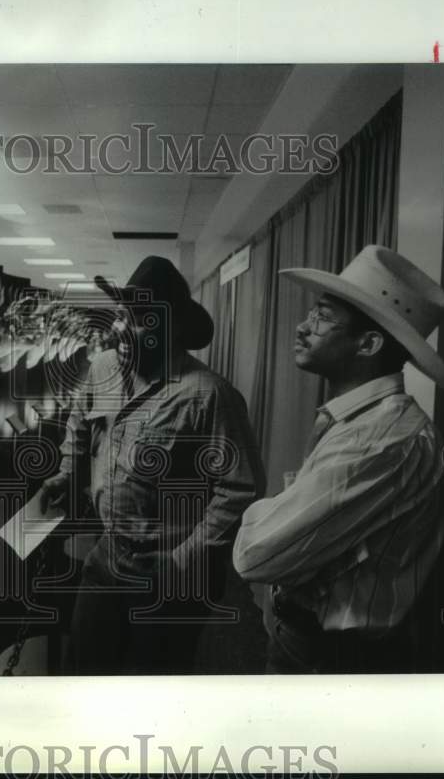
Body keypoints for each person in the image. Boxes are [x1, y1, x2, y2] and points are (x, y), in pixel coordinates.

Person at [233, 245, 444, 674]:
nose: (302, 327)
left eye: (322, 318)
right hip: (316, 643)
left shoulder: (378, 439)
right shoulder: (363, 422)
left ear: (368, 343)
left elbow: (254, 555)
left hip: (333, 657)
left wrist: (271, 511)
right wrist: (282, 510)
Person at [38, 256, 265, 675]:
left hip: (166, 572)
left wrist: (183, 559)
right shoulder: (104, 367)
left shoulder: (209, 396)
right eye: (124, 315)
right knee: (83, 670)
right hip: (106, 556)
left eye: (142, 319)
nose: (124, 328)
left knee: (152, 684)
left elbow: (240, 490)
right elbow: (79, 422)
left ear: (173, 328)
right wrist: (68, 472)